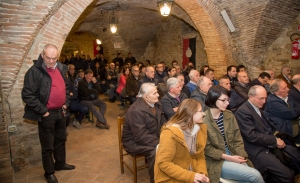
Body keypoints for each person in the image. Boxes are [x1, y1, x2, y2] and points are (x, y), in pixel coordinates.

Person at [22, 44, 75, 183]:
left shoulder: (61, 68)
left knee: (61, 139)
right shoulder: (34, 71)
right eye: (48, 58)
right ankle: (49, 172)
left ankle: (60, 163)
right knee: (48, 145)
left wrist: (66, 103)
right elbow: (28, 95)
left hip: (61, 112)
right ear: (42, 55)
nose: (51, 61)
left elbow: (67, 88)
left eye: (54, 58)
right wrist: (43, 111)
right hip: (47, 114)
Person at [235, 85, 297, 183]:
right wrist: (274, 140)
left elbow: (269, 127)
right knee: (288, 176)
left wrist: (277, 136)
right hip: (257, 150)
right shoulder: (243, 111)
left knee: (295, 157)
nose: (264, 102)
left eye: (265, 98)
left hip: (268, 144)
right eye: (261, 99)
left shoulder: (257, 107)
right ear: (251, 97)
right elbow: (251, 136)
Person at [203, 85, 264, 183]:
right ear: (213, 99)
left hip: (233, 153)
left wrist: (241, 156)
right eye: (223, 100)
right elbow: (207, 149)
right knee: (255, 175)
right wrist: (230, 158)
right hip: (216, 160)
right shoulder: (203, 120)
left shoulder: (229, 115)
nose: (227, 103)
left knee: (249, 179)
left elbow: (237, 139)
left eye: (228, 100)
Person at [155, 98, 210, 183]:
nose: (204, 114)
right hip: (171, 176)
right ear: (191, 113)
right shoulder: (170, 132)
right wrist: (191, 176)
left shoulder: (199, 129)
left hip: (190, 171)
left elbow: (200, 156)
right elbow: (164, 163)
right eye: (201, 111)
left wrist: (202, 173)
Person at [122, 83, 166, 183]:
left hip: (151, 136)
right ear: (146, 96)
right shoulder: (136, 110)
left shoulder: (157, 104)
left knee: (171, 143)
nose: (158, 95)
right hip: (133, 141)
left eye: (157, 92)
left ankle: (165, 173)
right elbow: (140, 136)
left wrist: (167, 134)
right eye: (155, 93)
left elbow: (162, 121)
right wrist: (160, 142)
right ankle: (155, 180)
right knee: (155, 151)